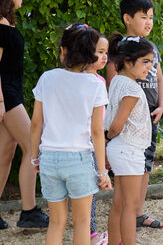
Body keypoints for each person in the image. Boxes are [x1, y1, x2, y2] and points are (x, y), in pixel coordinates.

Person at [30, 24, 112, 244]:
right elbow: (97, 131)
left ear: (63, 51)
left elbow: (36, 123)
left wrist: (34, 157)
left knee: (56, 222)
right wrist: (102, 171)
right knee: (82, 223)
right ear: (91, 54)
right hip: (80, 160)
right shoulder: (96, 84)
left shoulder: (47, 78)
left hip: (49, 158)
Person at [106, 0, 163, 229]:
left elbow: (159, 79)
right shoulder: (119, 49)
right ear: (127, 18)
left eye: (151, 17)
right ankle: (127, 211)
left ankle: (139, 212)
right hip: (129, 117)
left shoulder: (151, 47)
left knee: (146, 163)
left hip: (151, 114)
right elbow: (113, 85)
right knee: (130, 163)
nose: (149, 22)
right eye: (144, 17)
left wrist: (162, 105)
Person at [0, 0, 49, 229]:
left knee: (5, 154)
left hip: (9, 93)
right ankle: (29, 211)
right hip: (6, 96)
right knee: (33, 146)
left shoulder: (6, 23)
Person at [104, 35, 155, 245]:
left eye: (151, 62)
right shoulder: (132, 89)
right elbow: (116, 125)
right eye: (145, 62)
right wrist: (109, 138)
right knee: (130, 206)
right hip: (128, 150)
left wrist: (108, 144)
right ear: (127, 61)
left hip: (121, 149)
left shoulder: (117, 80)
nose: (149, 68)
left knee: (119, 203)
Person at [84, 34, 109, 245]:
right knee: (89, 192)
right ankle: (91, 236)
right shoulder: (90, 82)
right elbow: (96, 127)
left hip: (94, 145)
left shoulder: (100, 80)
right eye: (99, 52)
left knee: (89, 193)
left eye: (106, 53)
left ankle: (89, 233)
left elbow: (101, 123)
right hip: (85, 145)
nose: (104, 57)